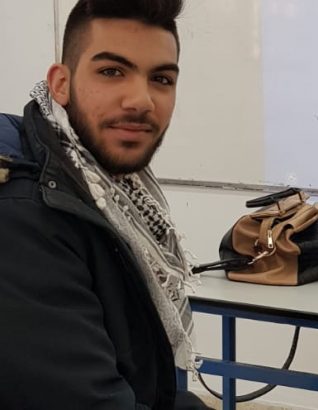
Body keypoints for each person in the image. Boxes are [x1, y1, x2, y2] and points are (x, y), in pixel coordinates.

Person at [0, 0, 210, 408]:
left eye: (161, 79)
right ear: (60, 84)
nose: (141, 100)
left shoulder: (106, 189)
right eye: (112, 71)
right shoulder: (23, 216)